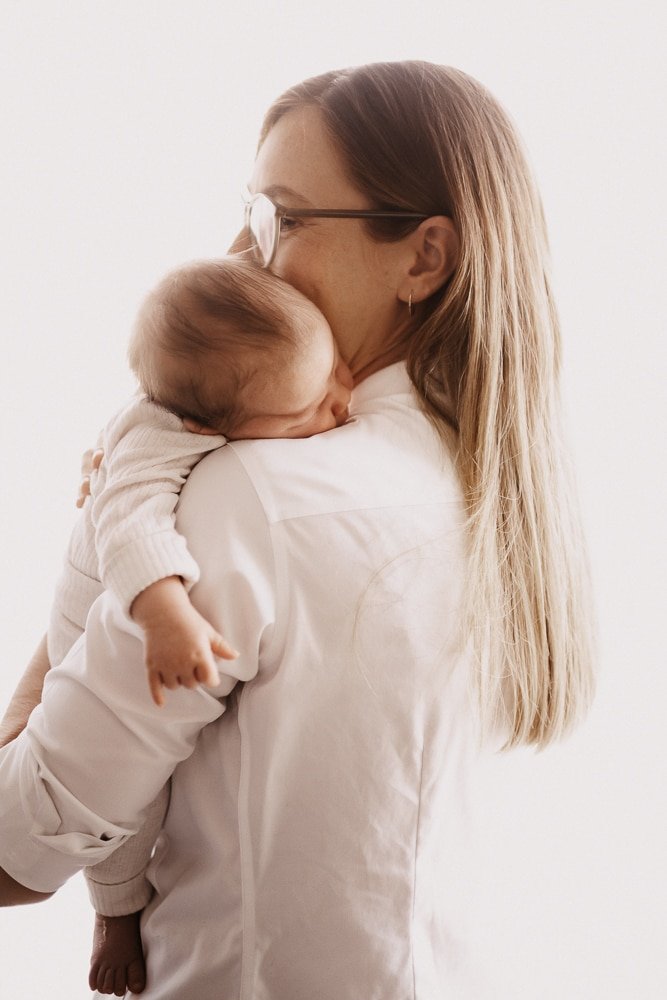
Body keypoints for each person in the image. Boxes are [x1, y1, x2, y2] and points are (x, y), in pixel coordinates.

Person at [0, 61, 596, 999]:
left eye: (283, 218)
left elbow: (18, 852)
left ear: (423, 258)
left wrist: (120, 510)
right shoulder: (501, 499)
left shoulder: (247, 498)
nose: (242, 254)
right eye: (250, 212)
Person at [0, 254, 352, 995]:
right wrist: (166, 617)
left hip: (92, 597)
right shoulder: (158, 442)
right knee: (131, 808)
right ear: (203, 426)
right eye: (306, 413)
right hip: (93, 614)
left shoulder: (236, 368)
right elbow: (131, 529)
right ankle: (116, 912)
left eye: (337, 374)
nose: (340, 405)